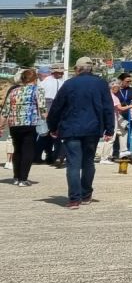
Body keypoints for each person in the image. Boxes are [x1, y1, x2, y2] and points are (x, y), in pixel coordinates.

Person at [45, 57, 115, 208]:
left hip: (71, 128)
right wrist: (110, 129)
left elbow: (57, 107)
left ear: (77, 69)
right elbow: (108, 107)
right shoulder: (101, 84)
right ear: (91, 69)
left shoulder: (69, 84)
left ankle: (74, 199)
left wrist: (52, 127)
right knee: (88, 162)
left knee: (73, 164)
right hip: (93, 128)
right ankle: (86, 194)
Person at [3, 68, 47, 185]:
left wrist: (1, 126)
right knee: (28, 150)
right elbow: (42, 109)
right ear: (35, 79)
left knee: (17, 149)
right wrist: (50, 121)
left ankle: (16, 177)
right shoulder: (38, 90)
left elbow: (5, 111)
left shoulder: (13, 91)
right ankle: (23, 178)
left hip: (14, 124)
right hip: (29, 123)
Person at [36, 64, 65, 165]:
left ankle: (49, 156)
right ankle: (44, 156)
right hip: (49, 105)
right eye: (59, 72)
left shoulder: (58, 81)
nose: (61, 73)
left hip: (54, 106)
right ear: (53, 72)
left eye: (62, 72)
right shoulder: (47, 81)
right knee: (46, 133)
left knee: (50, 134)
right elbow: (41, 97)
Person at [111, 72, 132, 161]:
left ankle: (126, 152)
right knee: (116, 134)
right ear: (121, 81)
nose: (129, 83)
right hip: (117, 114)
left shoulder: (131, 90)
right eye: (127, 81)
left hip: (127, 114)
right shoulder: (116, 90)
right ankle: (115, 153)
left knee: (127, 133)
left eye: (130, 81)